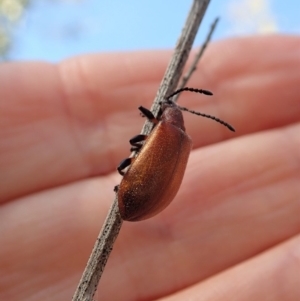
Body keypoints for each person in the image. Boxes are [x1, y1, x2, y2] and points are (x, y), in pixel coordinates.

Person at [0, 35, 299, 301]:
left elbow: (140, 142)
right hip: (140, 195)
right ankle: (127, 181)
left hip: (137, 194)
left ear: (159, 117)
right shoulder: (176, 138)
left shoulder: (165, 133)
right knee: (132, 156)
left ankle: (126, 182)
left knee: (130, 157)